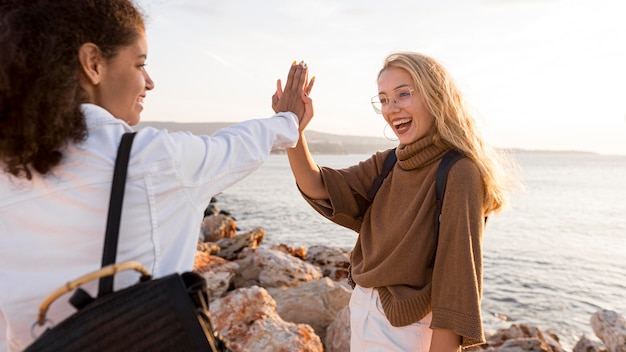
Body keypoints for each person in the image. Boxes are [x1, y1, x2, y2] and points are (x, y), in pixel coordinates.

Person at [0, 1, 312, 351]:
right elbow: (238, 145)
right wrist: (288, 120)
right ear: (93, 63)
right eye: (140, 64)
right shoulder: (148, 161)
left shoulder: (8, 165)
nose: (149, 81)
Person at [280, 52, 515, 351]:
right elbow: (317, 185)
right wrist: (293, 130)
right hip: (363, 309)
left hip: (407, 331)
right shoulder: (389, 162)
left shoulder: (459, 171)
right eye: (384, 99)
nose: (392, 109)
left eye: (403, 94)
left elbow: (456, 282)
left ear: (436, 96)